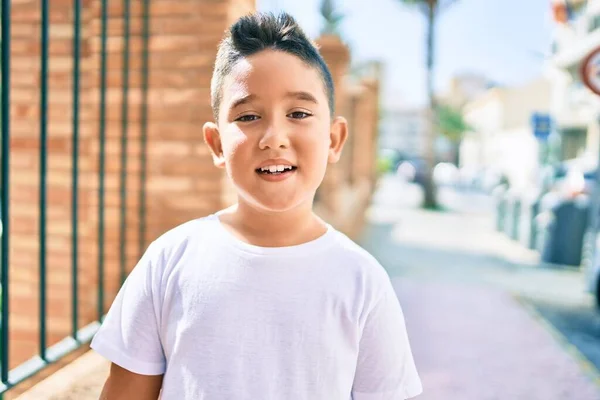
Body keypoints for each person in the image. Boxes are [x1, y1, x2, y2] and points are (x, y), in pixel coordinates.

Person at [91, 11, 422, 400]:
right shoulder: (169, 260)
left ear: (334, 139)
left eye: (298, 113)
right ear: (216, 144)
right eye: (248, 116)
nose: (274, 137)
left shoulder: (363, 282)